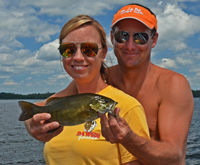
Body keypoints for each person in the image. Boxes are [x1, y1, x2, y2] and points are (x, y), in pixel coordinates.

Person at [46, 3, 193, 165]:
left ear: (154, 40)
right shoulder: (102, 77)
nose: (130, 45)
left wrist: (129, 139)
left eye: (140, 37)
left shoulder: (172, 84)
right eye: (122, 36)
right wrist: (31, 122)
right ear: (112, 38)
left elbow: (175, 156)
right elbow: (45, 106)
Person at [24, 14, 150, 165]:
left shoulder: (127, 107)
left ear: (103, 53)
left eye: (88, 49)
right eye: (68, 49)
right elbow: (31, 112)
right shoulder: (61, 101)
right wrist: (31, 125)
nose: (77, 57)